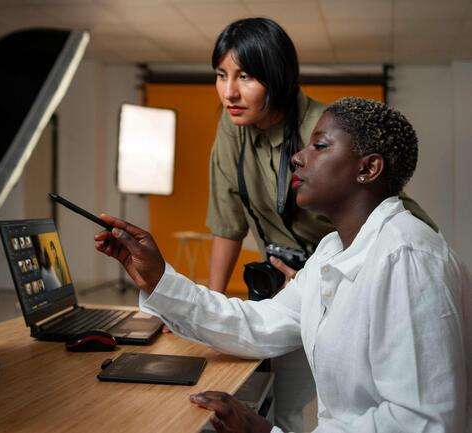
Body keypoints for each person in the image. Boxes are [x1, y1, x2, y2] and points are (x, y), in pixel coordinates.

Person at [94, 97, 470, 433]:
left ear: (368, 168)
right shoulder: (332, 249)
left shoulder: (407, 257)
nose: (297, 156)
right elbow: (262, 324)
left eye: (320, 146)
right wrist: (159, 279)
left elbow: (422, 423)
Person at [204, 17, 436, 431]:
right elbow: (227, 222)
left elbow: (390, 207)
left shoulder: (320, 126)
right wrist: (213, 308)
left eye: (246, 76)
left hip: (346, 277)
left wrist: (361, 276)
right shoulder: (232, 124)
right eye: (222, 75)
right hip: (294, 281)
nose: (229, 92)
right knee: (279, 399)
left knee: (346, 403)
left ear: (278, 77)